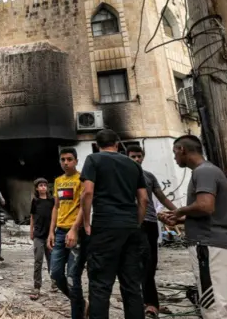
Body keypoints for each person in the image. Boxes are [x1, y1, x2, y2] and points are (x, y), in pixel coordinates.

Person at [159, 135, 227, 319]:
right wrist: (181, 220)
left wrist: (180, 211)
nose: (174, 157)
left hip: (209, 248)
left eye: (175, 152)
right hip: (219, 247)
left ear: (182, 149)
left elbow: (206, 206)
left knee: (213, 309)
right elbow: (210, 214)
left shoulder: (203, 172)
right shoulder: (208, 171)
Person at [80, 129, 149, 319]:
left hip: (105, 225)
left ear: (96, 145)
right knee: (132, 285)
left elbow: (87, 193)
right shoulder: (134, 165)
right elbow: (143, 199)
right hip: (130, 227)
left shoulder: (93, 160)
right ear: (117, 145)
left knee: (101, 284)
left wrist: (87, 222)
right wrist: (137, 222)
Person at [127, 145, 178, 318]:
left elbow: (161, 196)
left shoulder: (149, 176)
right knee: (133, 265)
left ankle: (150, 302)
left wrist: (179, 213)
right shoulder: (123, 175)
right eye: (133, 157)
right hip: (130, 225)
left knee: (150, 264)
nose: (136, 159)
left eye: (139, 156)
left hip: (149, 223)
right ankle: (144, 302)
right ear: (127, 157)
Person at [48, 148, 88, 319]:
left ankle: (77, 314)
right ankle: (81, 303)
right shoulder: (58, 181)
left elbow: (83, 206)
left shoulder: (82, 180)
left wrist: (74, 229)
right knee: (55, 273)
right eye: (62, 159)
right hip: (59, 232)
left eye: (69, 159)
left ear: (76, 161)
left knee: (73, 276)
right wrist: (51, 231)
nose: (65, 162)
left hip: (76, 232)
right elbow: (56, 207)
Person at [29, 178, 55, 301]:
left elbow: (55, 216)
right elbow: (32, 217)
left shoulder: (52, 201)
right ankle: (37, 286)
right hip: (38, 235)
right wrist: (31, 231)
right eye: (41, 185)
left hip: (50, 236)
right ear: (37, 188)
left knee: (52, 261)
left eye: (45, 185)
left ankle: (54, 283)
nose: (43, 187)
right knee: (38, 261)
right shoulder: (35, 201)